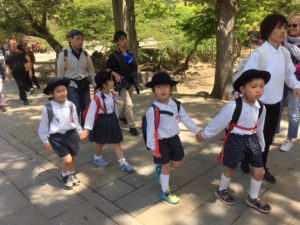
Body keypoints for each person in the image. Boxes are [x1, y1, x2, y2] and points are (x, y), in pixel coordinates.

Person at [197, 69, 271, 214]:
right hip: (235, 139)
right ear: (242, 89)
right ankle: (222, 189)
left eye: (261, 86)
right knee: (231, 167)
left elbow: (259, 128)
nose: (258, 90)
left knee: (260, 170)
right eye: (254, 86)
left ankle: (253, 198)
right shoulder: (233, 106)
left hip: (252, 139)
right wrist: (204, 134)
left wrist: (261, 144)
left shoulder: (261, 107)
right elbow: (218, 122)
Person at [242, 14, 300, 184]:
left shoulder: (284, 52)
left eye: (285, 27)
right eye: (279, 28)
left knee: (266, 139)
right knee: (251, 137)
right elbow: (247, 78)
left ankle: (262, 166)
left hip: (275, 104)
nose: (284, 31)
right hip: (257, 105)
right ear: (268, 30)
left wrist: (296, 86)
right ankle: (247, 160)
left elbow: (289, 74)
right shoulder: (259, 54)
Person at [144, 72, 201, 204]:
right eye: (158, 87)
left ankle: (162, 168)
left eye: (166, 86)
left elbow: (185, 118)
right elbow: (150, 130)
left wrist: (197, 130)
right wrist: (153, 148)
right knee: (167, 167)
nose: (163, 89)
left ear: (170, 88)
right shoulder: (152, 110)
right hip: (160, 143)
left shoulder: (176, 104)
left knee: (177, 163)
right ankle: (165, 191)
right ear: (153, 91)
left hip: (174, 139)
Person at [81, 71, 134, 173]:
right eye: (110, 80)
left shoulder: (111, 94)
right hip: (102, 122)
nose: (112, 81)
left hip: (112, 121)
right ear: (104, 84)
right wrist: (86, 129)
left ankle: (123, 163)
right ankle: (97, 158)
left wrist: (116, 117)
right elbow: (90, 114)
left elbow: (113, 108)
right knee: (101, 141)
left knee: (116, 142)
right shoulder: (96, 99)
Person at [38, 77, 84, 190]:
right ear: (52, 93)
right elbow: (43, 125)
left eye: (64, 90)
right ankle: (64, 175)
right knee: (67, 160)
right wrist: (45, 139)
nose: (62, 93)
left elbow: (75, 120)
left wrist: (80, 131)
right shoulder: (48, 108)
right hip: (57, 138)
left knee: (73, 157)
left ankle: (71, 174)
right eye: (58, 91)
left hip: (72, 135)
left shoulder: (71, 105)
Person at [57, 29, 95, 124]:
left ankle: (85, 127)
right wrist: (58, 89)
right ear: (70, 39)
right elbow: (60, 73)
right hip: (71, 85)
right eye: (78, 39)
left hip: (84, 84)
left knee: (86, 107)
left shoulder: (85, 55)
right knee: (75, 107)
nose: (80, 41)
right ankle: (74, 128)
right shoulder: (63, 55)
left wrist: (95, 83)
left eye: (82, 39)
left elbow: (91, 70)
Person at [106, 31, 140, 136]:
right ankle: (132, 126)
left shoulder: (130, 54)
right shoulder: (114, 56)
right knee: (129, 104)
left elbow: (134, 67)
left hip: (131, 82)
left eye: (125, 38)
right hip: (121, 84)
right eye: (121, 39)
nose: (124, 41)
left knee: (127, 103)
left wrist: (135, 78)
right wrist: (115, 74)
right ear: (117, 42)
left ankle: (122, 116)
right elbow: (107, 69)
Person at [277, 13, 300, 152]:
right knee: (276, 108)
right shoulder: (282, 40)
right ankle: (273, 133)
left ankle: (290, 139)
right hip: (280, 79)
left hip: (297, 81)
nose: (291, 28)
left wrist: (290, 66)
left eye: (294, 25)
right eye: (288, 25)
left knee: (293, 112)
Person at [5, 39, 32, 105]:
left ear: (16, 44)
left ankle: (21, 97)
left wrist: (30, 71)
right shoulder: (8, 54)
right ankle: (25, 99)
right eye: (12, 44)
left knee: (23, 85)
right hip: (15, 73)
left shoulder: (21, 52)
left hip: (23, 71)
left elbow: (26, 62)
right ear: (10, 45)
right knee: (20, 85)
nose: (13, 45)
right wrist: (8, 74)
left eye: (14, 43)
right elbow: (6, 65)